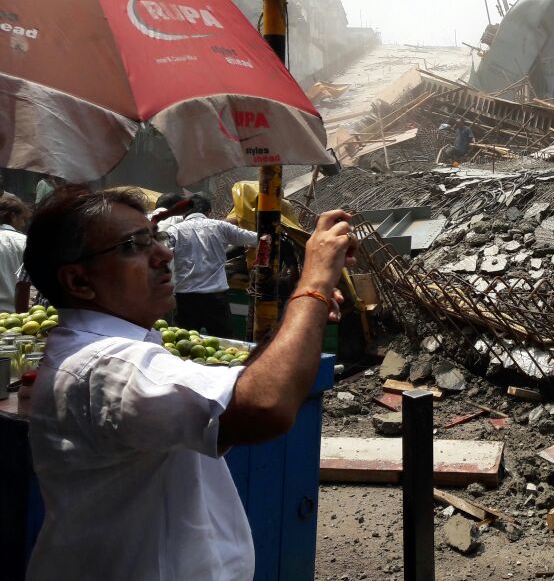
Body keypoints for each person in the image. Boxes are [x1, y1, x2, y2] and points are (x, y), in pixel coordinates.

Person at [24, 186, 356, 580]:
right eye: (134, 245)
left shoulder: (100, 354)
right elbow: (264, 405)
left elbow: (241, 386)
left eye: (156, 238)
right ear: (79, 281)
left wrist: (292, 320)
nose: (164, 255)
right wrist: (313, 284)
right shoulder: (108, 367)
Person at [164, 193, 257, 337]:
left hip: (185, 300)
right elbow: (256, 238)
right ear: (208, 212)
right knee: (224, 344)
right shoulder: (221, 226)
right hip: (216, 299)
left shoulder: (174, 231)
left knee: (183, 345)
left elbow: (160, 254)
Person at [0, 193, 30, 312]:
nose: (23, 224)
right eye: (22, 218)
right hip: (13, 317)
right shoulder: (23, 242)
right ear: (13, 216)